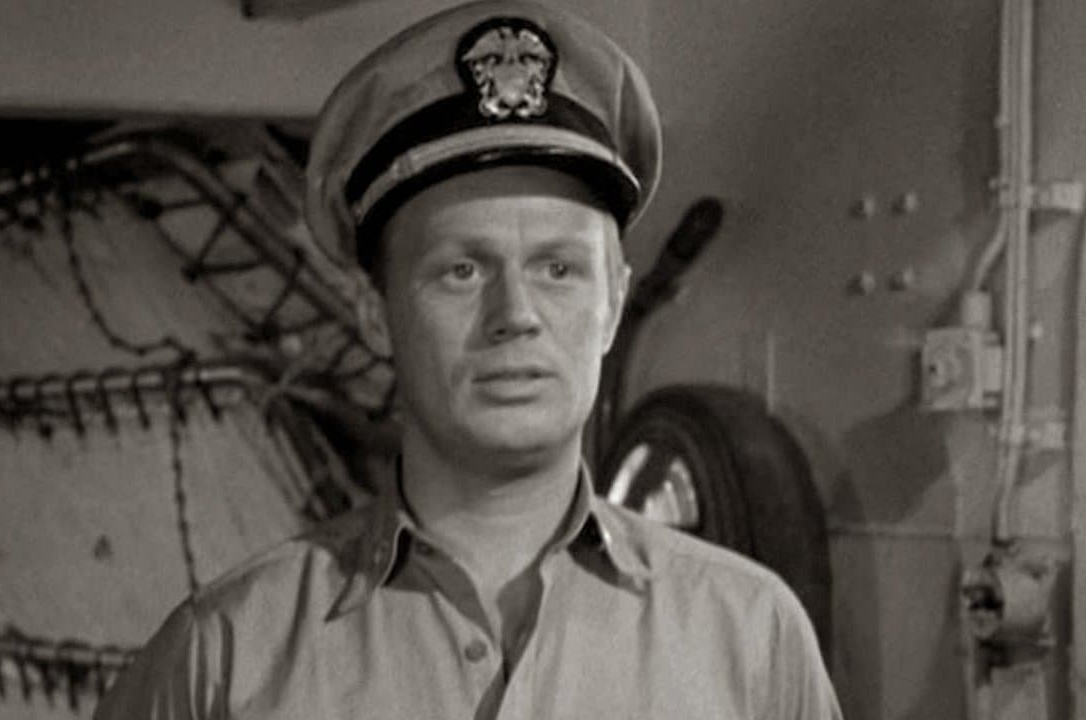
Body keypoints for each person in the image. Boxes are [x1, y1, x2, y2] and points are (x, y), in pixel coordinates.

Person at [93, 1, 842, 718]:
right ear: (376, 313)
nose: (515, 314)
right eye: (462, 270)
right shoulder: (227, 662)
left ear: (614, 302)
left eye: (558, 269)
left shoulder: (751, 638)